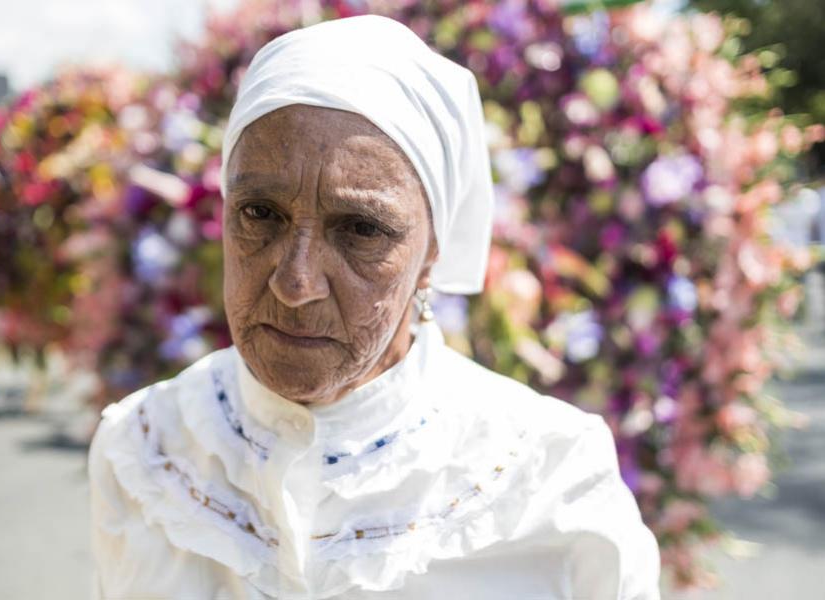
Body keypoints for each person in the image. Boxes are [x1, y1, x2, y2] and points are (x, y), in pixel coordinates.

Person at [88, 15, 661, 600]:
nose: (296, 282)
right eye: (260, 213)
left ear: (432, 251)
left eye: (362, 229)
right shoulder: (145, 450)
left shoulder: (550, 479)